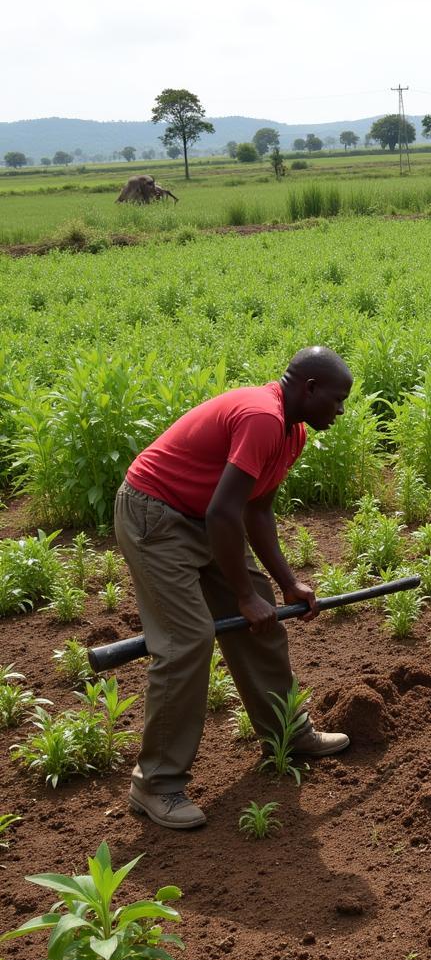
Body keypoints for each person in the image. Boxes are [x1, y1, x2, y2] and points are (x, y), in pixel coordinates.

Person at [115, 347, 354, 829]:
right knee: (186, 640)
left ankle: (287, 733)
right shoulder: (263, 417)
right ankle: (155, 784)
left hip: (203, 516)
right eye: (337, 399)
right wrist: (242, 596)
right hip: (155, 515)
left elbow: (254, 510)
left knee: (262, 621)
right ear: (308, 389)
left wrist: (285, 584)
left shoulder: (293, 432)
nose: (341, 411)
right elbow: (224, 512)